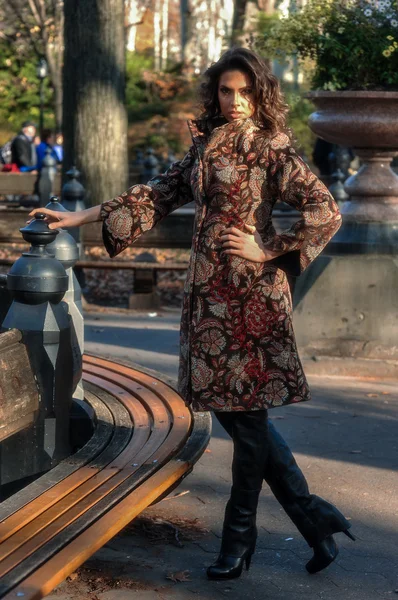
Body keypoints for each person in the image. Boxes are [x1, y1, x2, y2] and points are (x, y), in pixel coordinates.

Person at [30, 48, 355, 581]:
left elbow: (326, 208)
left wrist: (269, 248)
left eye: (245, 92)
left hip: (249, 298)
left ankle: (239, 539)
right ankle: (313, 518)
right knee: (240, 418)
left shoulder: (271, 146)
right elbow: (158, 194)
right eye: (226, 91)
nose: (235, 102)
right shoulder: (206, 142)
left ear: (260, 93)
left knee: (247, 424)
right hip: (207, 299)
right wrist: (82, 216)